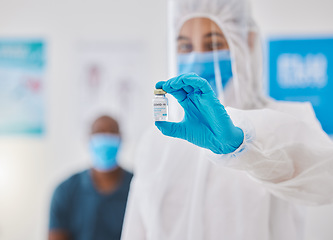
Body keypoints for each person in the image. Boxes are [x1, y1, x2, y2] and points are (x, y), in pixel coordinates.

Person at [121, 0, 333, 239]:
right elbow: (135, 230)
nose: (198, 56)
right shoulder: (156, 142)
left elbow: (325, 180)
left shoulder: (285, 121)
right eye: (185, 46)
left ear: (246, 41)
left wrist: (246, 145)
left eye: (213, 44)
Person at [49, 115, 133, 240]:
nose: (106, 136)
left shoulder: (137, 186)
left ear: (121, 138)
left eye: (112, 132)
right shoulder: (66, 190)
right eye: (99, 132)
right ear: (89, 139)